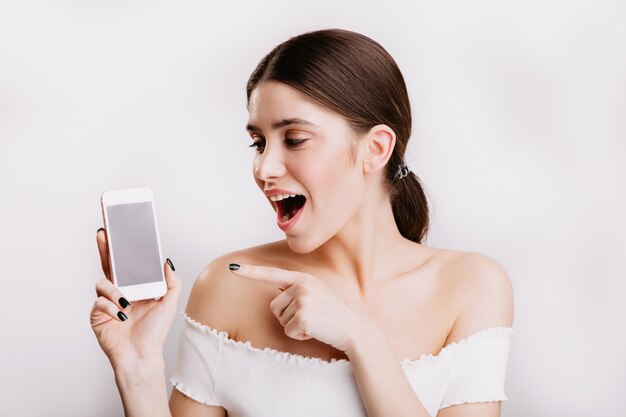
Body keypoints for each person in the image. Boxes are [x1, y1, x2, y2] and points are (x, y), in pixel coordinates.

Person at [90, 28, 514, 417]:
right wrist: (139, 372)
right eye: (258, 143)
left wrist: (361, 337)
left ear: (376, 149)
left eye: (294, 139)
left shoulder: (472, 285)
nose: (264, 168)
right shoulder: (228, 285)